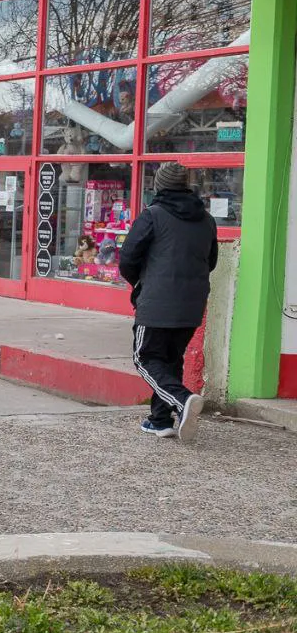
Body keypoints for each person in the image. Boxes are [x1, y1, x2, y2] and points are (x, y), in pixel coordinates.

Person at [119, 162, 217, 443]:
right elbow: (210, 262)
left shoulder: (152, 215)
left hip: (157, 303)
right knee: (170, 360)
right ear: (187, 185)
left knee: (145, 359)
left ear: (158, 185)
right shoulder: (207, 220)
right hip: (192, 305)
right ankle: (160, 421)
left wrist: (142, 283)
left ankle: (183, 400)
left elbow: (128, 259)